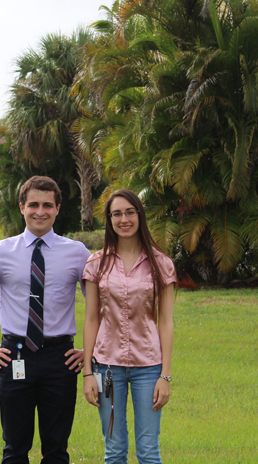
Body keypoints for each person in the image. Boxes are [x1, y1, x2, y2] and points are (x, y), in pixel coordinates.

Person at [0, 175, 91, 464]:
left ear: (57, 208)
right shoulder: (2, 252)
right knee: (15, 449)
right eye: (33, 204)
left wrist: (91, 352)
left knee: (56, 450)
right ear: (21, 207)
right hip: (15, 357)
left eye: (47, 205)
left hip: (61, 359)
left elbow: (102, 305)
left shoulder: (77, 253)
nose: (39, 211)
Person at [81, 189, 176, 464]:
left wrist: (165, 376)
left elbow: (166, 322)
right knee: (114, 448)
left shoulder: (161, 263)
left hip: (149, 368)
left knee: (148, 450)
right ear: (109, 220)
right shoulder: (96, 264)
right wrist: (88, 373)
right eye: (117, 214)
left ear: (140, 215)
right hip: (107, 370)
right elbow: (91, 320)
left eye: (130, 212)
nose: (124, 219)